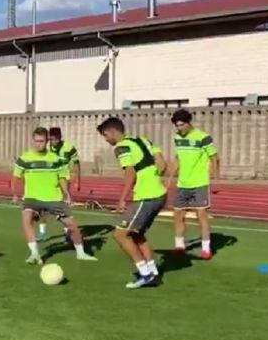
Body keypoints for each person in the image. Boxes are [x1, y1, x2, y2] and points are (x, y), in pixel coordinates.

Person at [97, 117, 167, 289]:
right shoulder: (143, 140)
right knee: (137, 234)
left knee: (120, 234)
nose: (106, 139)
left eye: (106, 135)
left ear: (113, 131)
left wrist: (122, 198)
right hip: (159, 193)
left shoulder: (121, 147)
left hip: (146, 195)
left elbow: (130, 173)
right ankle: (153, 273)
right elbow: (162, 163)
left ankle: (145, 274)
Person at [11, 127, 97, 264]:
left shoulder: (56, 159)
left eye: (42, 141)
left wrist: (66, 194)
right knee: (27, 220)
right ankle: (34, 254)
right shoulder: (25, 158)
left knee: (73, 226)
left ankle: (81, 253)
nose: (39, 144)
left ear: (47, 141)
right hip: (32, 198)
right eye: (36, 141)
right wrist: (15, 194)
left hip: (53, 198)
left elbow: (62, 178)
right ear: (33, 141)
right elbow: (15, 176)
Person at [168, 109, 219, 259]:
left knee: (201, 215)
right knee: (178, 214)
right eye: (177, 125)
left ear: (189, 123)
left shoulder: (203, 137)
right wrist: (170, 176)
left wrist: (214, 177)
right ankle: (179, 244)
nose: (179, 128)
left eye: (181, 125)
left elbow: (214, 157)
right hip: (183, 183)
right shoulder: (177, 137)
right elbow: (178, 157)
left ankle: (206, 248)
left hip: (199, 183)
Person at [46, 127, 81, 241]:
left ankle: (67, 232)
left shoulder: (69, 148)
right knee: (45, 205)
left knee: (64, 206)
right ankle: (42, 231)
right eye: (51, 139)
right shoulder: (47, 147)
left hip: (64, 179)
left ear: (60, 138)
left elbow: (76, 164)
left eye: (55, 139)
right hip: (50, 180)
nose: (53, 142)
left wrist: (78, 181)